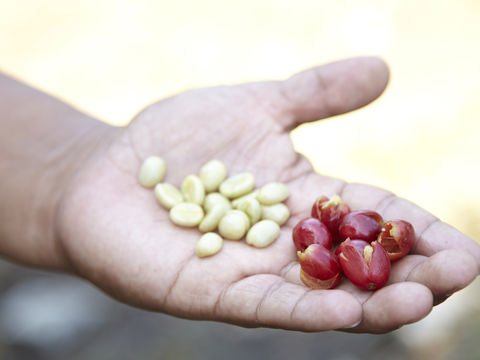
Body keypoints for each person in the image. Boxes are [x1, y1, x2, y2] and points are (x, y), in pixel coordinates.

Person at [0, 57, 478, 334]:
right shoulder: (323, 231)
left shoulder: (336, 234)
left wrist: (66, 171)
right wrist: (65, 175)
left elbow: (349, 241)